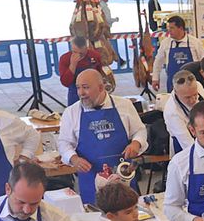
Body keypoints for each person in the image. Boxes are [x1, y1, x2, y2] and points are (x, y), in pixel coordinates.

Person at [56, 68, 147, 205]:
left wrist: (136, 143)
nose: (81, 93)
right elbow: (64, 143)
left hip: (123, 175)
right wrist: (74, 159)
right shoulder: (71, 112)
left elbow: (139, 130)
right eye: (78, 88)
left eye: (86, 88)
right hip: (91, 178)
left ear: (101, 87)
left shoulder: (124, 105)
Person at [162, 70, 204, 152]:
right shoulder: (172, 112)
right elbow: (188, 144)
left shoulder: (198, 85)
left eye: (195, 95)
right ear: (176, 93)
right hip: (183, 144)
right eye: (187, 97)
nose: (193, 100)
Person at [153, 16, 198, 93]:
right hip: (172, 83)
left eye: (172, 28)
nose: (169, 30)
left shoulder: (194, 42)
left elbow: (203, 60)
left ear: (180, 28)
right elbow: (158, 61)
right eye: (168, 28)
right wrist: (155, 78)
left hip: (191, 83)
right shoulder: (165, 43)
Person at [56, 36, 105, 106]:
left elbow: (99, 75)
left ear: (86, 48)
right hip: (75, 93)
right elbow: (65, 82)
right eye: (74, 52)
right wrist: (73, 65)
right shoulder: (65, 58)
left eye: (81, 53)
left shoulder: (95, 56)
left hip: (93, 93)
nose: (78, 55)